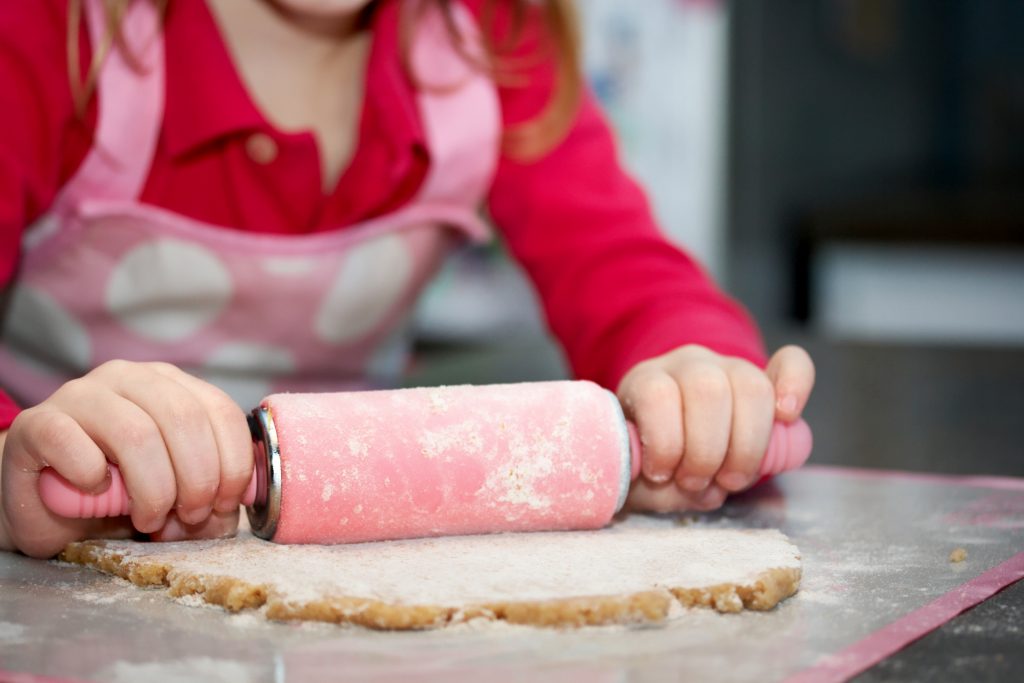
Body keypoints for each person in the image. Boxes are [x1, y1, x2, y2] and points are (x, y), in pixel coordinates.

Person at [0, 0, 815, 559]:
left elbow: (623, 268)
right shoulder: (57, 33)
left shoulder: (484, 38)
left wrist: (696, 377)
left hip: (343, 545)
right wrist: (13, 469)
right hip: (88, 529)